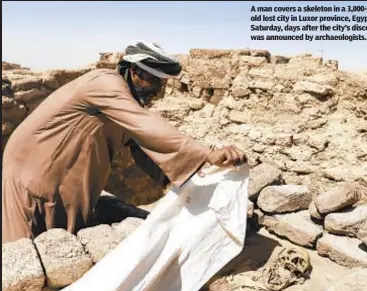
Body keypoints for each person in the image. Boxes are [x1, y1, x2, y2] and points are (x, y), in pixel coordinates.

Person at [2, 41, 247, 244]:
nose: (154, 88)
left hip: (61, 169)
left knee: (62, 238)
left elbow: (141, 145)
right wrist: (206, 154)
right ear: (132, 70)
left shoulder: (123, 100)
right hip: (34, 167)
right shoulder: (105, 83)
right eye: (149, 80)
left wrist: (182, 181)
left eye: (159, 83)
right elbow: (144, 124)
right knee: (26, 245)